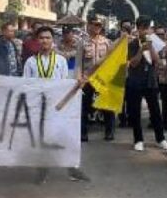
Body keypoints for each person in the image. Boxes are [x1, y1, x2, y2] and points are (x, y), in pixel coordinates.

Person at [23, 25, 89, 183]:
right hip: (39, 106)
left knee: (64, 136)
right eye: (41, 38)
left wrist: (78, 84)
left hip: (58, 105)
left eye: (48, 38)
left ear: (53, 41)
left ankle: (72, 169)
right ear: (37, 40)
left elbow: (66, 83)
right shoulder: (31, 62)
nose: (45, 40)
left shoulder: (60, 60)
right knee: (41, 138)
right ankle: (42, 171)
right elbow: (25, 85)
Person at [126, 16, 167, 154]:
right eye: (143, 28)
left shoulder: (153, 42)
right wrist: (140, 50)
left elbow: (157, 61)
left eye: (148, 28)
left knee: (155, 111)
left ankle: (161, 139)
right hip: (135, 81)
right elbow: (133, 63)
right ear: (138, 28)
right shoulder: (132, 44)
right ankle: (138, 140)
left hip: (150, 81)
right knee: (135, 112)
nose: (146, 31)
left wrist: (150, 48)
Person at [79, 13, 115, 142]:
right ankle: (83, 133)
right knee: (84, 107)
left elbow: (112, 61)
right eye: (95, 24)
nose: (97, 27)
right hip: (87, 78)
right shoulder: (82, 43)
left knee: (107, 106)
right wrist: (80, 78)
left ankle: (109, 131)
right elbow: (79, 63)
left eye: (100, 25)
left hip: (102, 79)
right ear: (89, 25)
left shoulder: (107, 43)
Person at [153, 26, 167, 132]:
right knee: (153, 100)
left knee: (165, 101)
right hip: (153, 76)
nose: (160, 36)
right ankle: (154, 120)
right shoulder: (151, 45)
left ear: (166, 34)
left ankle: (165, 121)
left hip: (165, 76)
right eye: (157, 34)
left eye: (162, 34)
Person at [119, 19, 136, 128]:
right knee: (121, 98)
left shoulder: (135, 41)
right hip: (120, 72)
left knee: (131, 98)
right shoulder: (117, 41)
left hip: (133, 73)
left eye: (128, 28)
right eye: (124, 28)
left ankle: (131, 119)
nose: (126, 30)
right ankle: (122, 119)